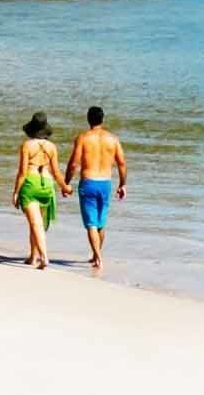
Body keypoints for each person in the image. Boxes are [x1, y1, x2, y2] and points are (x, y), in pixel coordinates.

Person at [68, 105, 129, 274]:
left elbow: (74, 164)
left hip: (88, 182)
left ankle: (98, 257)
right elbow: (122, 163)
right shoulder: (113, 139)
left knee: (91, 224)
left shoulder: (83, 138)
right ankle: (97, 254)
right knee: (101, 223)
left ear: (88, 120)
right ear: (103, 119)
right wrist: (122, 184)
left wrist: (66, 182)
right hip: (105, 183)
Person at [12, 113, 66, 271]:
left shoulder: (27, 146)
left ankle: (44, 257)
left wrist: (15, 192)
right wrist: (64, 187)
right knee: (37, 224)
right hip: (47, 184)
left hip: (31, 183)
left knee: (35, 223)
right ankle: (33, 256)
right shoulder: (52, 147)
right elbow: (56, 173)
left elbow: (22, 172)